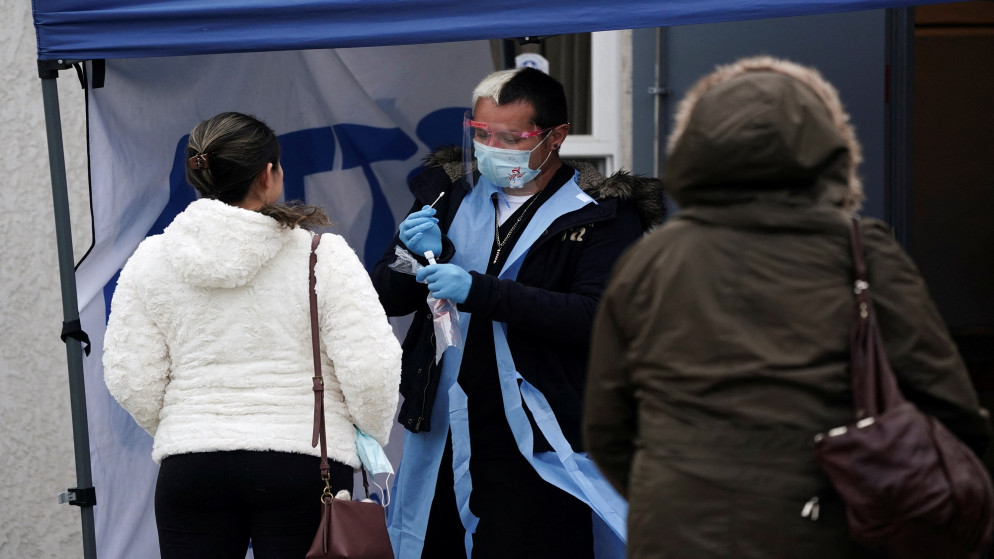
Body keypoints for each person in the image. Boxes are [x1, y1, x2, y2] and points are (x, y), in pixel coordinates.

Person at [582, 56, 994, 559]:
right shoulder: (864, 253)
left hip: (675, 525)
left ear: (696, 151)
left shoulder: (650, 260)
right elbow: (949, 408)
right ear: (828, 149)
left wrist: (677, 490)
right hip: (827, 523)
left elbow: (605, 424)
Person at [370, 67, 666, 558]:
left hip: (542, 435)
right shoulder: (448, 197)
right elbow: (387, 297)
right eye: (481, 134)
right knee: (431, 541)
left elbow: (600, 318)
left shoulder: (603, 214)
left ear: (556, 137)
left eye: (512, 137)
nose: (493, 147)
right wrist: (407, 253)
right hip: (445, 421)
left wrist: (480, 290)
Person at [102, 111, 402, 559]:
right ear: (269, 174)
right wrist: (366, 438)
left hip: (191, 465)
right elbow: (372, 368)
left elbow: (129, 375)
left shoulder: (151, 258)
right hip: (306, 463)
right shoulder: (322, 255)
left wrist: (190, 425)